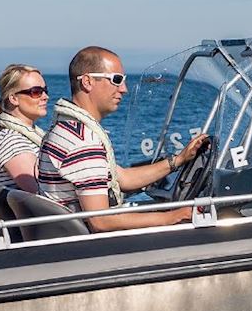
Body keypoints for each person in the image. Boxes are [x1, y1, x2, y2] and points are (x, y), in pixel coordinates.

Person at [37, 46, 208, 232]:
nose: (124, 89)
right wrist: (173, 217)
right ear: (87, 82)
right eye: (116, 80)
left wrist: (178, 160)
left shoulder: (66, 128)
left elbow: (123, 179)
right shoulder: (82, 141)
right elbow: (101, 221)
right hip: (91, 243)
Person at [0, 63, 49, 193]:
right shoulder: (11, 141)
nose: (45, 97)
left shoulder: (28, 136)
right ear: (13, 98)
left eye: (45, 90)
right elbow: (43, 191)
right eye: (36, 92)